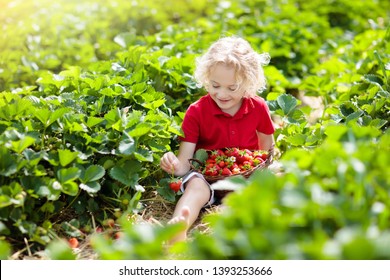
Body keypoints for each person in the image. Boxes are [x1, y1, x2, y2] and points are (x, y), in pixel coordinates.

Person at [160, 36, 275, 243]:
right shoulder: (196, 112)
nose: (222, 94)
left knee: (270, 183)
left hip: (244, 176)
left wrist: (259, 169)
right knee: (195, 187)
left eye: (232, 88)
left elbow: (265, 146)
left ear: (249, 83)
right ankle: (180, 224)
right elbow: (185, 164)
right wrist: (173, 164)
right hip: (206, 175)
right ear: (206, 78)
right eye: (215, 85)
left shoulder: (258, 107)